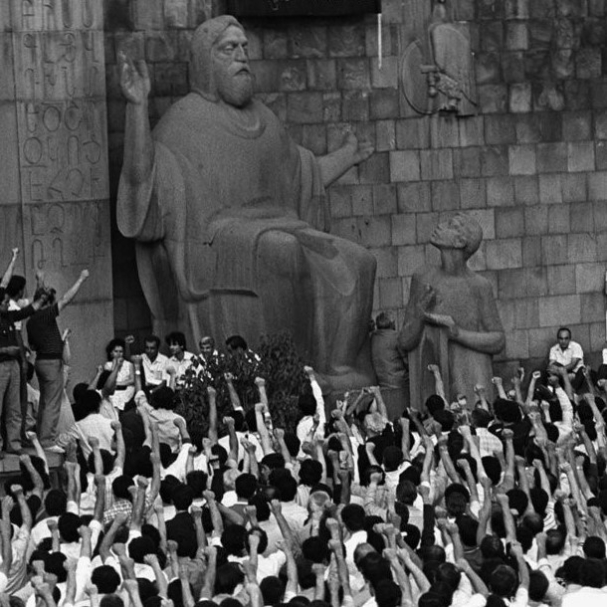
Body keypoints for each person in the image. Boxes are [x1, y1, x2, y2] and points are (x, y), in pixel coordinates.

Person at [117, 15, 376, 390]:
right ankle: (290, 369)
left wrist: (347, 157)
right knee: (285, 252)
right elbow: (144, 184)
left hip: (280, 224)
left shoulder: (264, 119)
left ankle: (337, 368)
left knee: (359, 260)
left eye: (244, 47)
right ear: (205, 62)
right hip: (214, 241)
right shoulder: (182, 121)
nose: (242, 56)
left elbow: (303, 175)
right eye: (229, 49)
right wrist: (137, 108)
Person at [398, 214, 505, 405]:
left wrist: (457, 334)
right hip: (433, 378)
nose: (440, 225)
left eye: (451, 225)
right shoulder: (422, 277)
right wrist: (419, 315)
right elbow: (405, 341)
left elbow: (498, 340)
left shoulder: (479, 286)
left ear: (460, 242)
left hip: (469, 382)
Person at [26, 269, 90, 449]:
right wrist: (81, 279)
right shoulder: (46, 315)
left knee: (45, 403)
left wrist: (40, 280)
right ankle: (47, 441)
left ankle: (42, 438)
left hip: (40, 361)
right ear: (47, 304)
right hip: (51, 363)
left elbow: (39, 299)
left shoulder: (32, 319)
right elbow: (66, 299)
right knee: (52, 404)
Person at [371, 312, 408, 419]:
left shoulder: (373, 337)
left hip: (380, 382)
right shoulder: (396, 336)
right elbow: (407, 362)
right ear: (392, 323)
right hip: (398, 382)